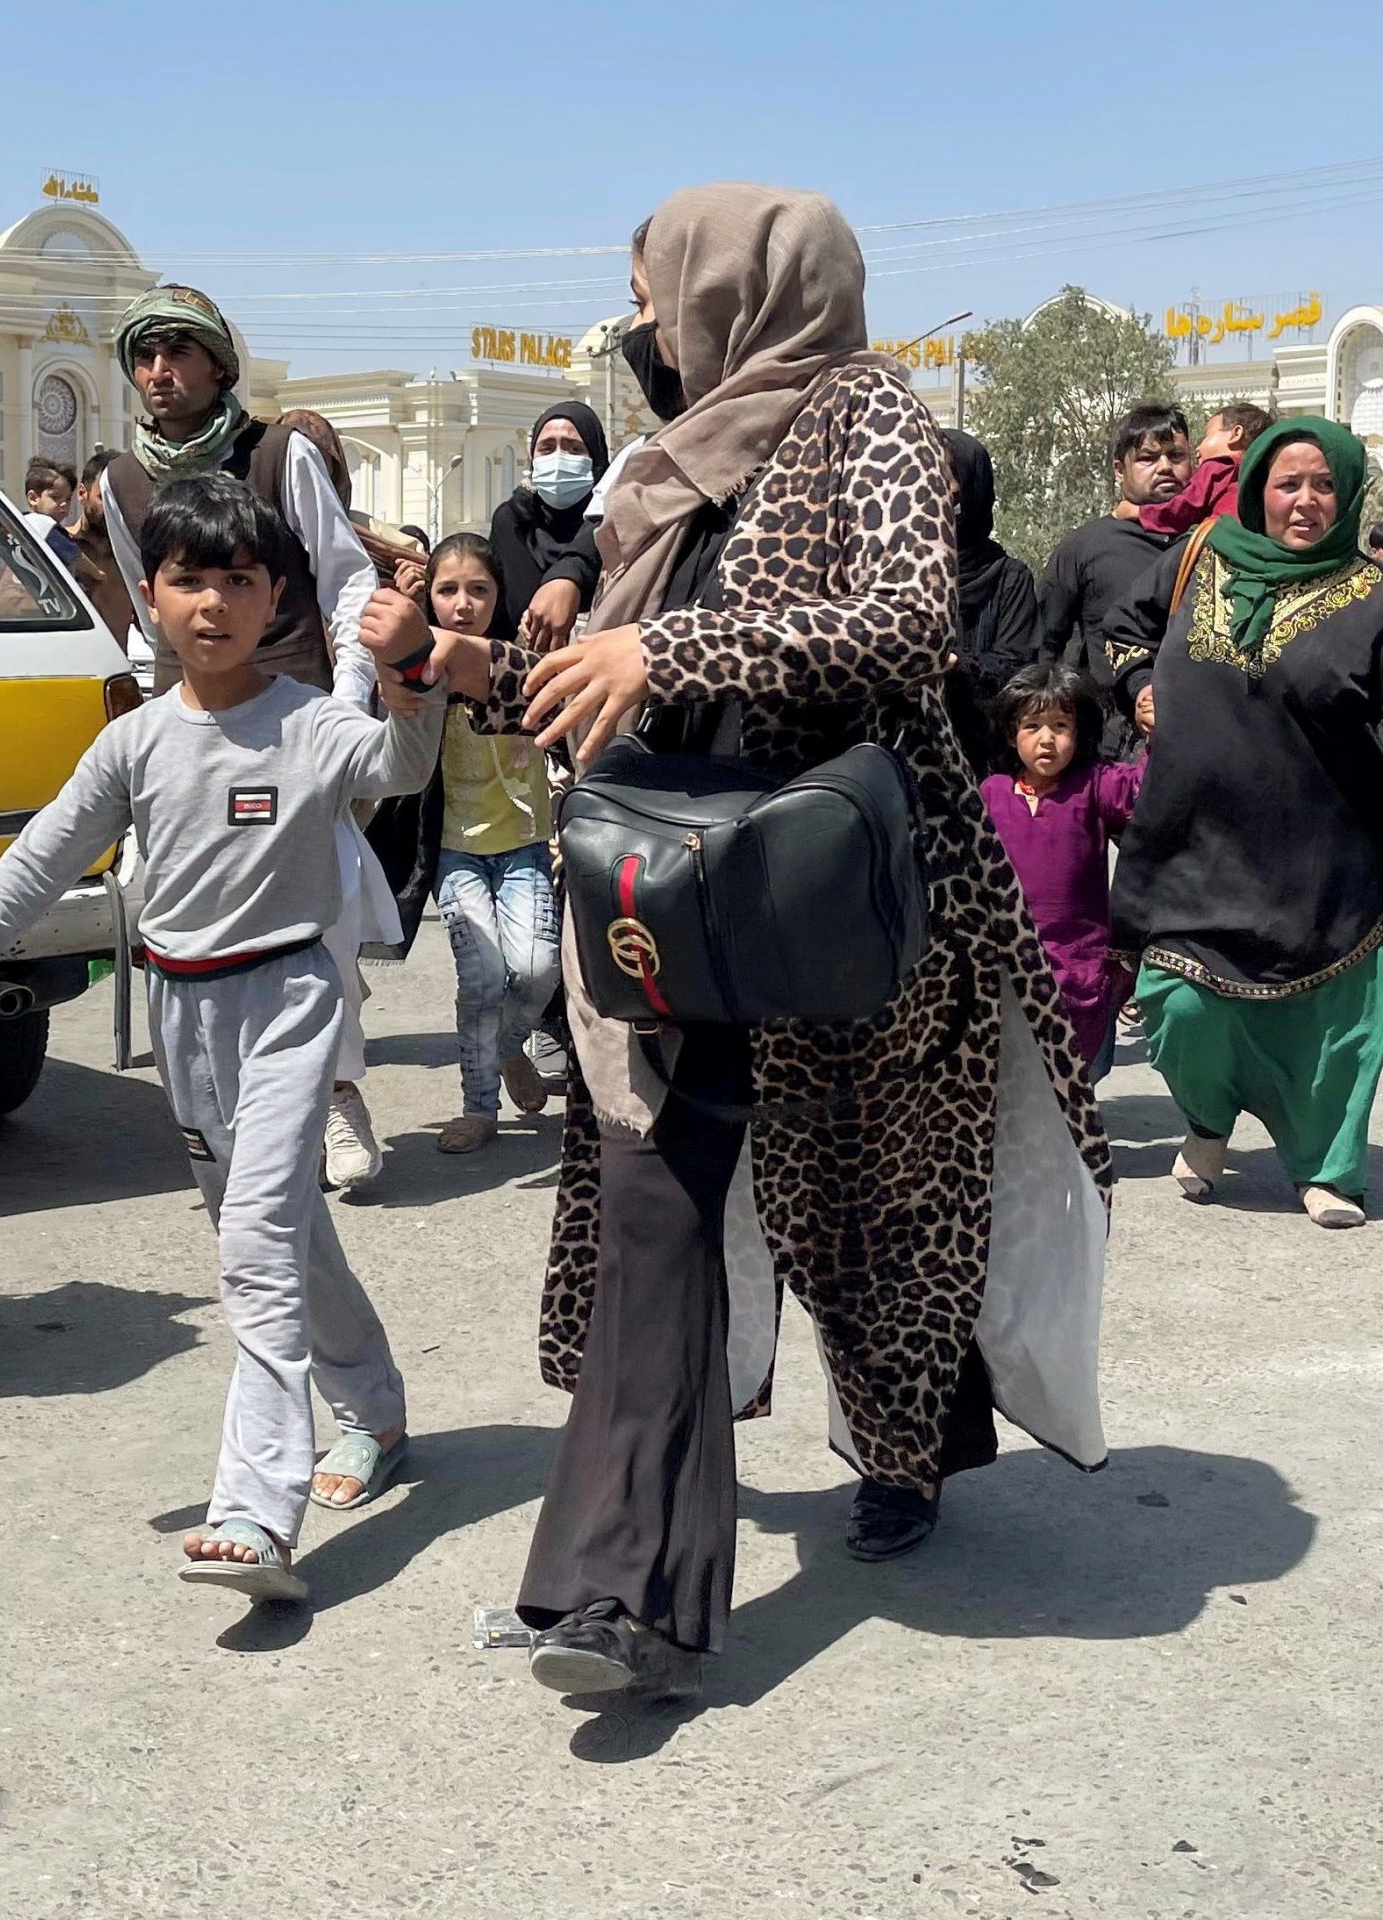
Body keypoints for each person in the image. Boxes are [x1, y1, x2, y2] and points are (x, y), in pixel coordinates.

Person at [366, 187, 1112, 1700]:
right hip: (665, 898)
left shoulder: (867, 418)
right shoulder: (663, 464)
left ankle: (907, 1451)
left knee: (871, 1219)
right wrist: (467, 666)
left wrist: (675, 644)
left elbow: (913, 625)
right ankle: (607, 1587)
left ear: (732, 286)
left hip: (848, 901)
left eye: (652, 291)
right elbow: (612, 685)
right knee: (657, 1222)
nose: (638, 323)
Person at [0, 477, 437, 1600]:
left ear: (274, 595)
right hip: (185, 1019)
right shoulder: (133, 743)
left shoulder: (311, 723)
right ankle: (373, 1408)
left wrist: (408, 673)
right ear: (150, 597)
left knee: (255, 1250)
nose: (213, 604)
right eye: (189, 580)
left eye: (239, 581)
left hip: (287, 1004)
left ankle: (253, 1511)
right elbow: (42, 855)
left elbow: (400, 768)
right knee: (279, 1232)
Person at [96, 287, 394, 1192]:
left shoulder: (278, 450)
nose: (159, 372)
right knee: (176, 905)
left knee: (322, 911)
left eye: (178, 352)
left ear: (220, 363)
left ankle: (337, 1092)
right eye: (145, 356)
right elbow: (146, 614)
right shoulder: (120, 480)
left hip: (295, 715)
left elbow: (346, 580)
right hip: (188, 728)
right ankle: (231, 1105)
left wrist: (343, 706)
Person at [1104, 417, 1383, 1228]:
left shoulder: (1372, 599)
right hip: (1195, 841)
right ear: (1258, 484)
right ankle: (1208, 1122)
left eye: (1323, 484)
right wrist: (1134, 690)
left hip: (1324, 856)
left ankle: (1328, 1168)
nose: (1304, 501)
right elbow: (1123, 629)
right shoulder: (1201, 557)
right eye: (1288, 483)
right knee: (1178, 1004)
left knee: (1332, 1021)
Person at [414, 534, 558, 1152]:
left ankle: (505, 1051)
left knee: (536, 968)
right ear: (429, 596)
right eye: (447, 590)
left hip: (525, 843)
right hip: (455, 851)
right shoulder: (420, 672)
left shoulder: (523, 665)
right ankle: (478, 1108)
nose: (463, 604)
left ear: (498, 595)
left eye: (478, 590)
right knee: (481, 976)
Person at [978, 665, 1144, 1071]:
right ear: (1010, 732)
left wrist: (1154, 731)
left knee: (1076, 1081)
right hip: (1005, 966)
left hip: (1079, 969)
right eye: (1031, 725)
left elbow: (1148, 790)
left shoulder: (1095, 785)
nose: (1046, 739)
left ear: (1079, 731)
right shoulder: (991, 793)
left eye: (1060, 725)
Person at [1039, 403, 1192, 759]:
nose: (1165, 467)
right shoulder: (1085, 546)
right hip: (1110, 751)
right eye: (1148, 458)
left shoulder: (1212, 543)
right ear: (1119, 471)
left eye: (1176, 455)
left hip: (1200, 742)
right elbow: (1045, 648)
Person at [940, 429, 1044, 775]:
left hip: (985, 764)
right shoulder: (898, 572)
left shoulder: (1009, 578)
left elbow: (1017, 669)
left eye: (946, 481)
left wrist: (952, 663)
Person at [488, 402, 609, 653]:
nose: (558, 458)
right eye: (547, 448)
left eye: (574, 449)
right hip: (519, 677)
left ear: (596, 460)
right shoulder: (511, 523)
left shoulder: (613, 525)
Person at [1137, 403, 1272, 538]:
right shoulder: (1262, 477)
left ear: (1236, 434)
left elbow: (1184, 508)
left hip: (1218, 543)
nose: (1197, 449)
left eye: (1206, 436)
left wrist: (1139, 513)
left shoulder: (1219, 466)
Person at [68, 450, 137, 650]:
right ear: (82, 493)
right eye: (103, 498)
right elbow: (10, 605)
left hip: (113, 671)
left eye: (118, 500)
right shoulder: (54, 546)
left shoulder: (131, 555)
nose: (112, 508)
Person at [21, 456, 82, 571]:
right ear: (33, 498)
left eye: (68, 499)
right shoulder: (45, 526)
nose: (64, 504)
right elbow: (77, 558)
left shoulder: (23, 521)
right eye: (55, 497)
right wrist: (98, 574)